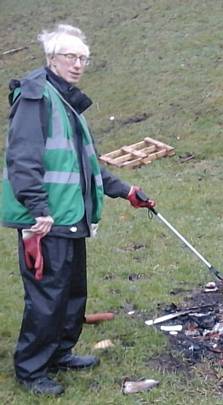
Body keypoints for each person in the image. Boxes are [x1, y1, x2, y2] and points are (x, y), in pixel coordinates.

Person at [1, 24, 156, 395]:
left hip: (71, 217)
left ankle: (58, 353)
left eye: (83, 58)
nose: (78, 64)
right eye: (70, 57)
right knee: (47, 298)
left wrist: (125, 189)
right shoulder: (36, 96)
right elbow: (22, 159)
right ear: (52, 58)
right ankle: (31, 369)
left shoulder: (65, 100)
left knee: (71, 294)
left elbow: (83, 165)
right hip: (45, 220)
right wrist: (38, 209)